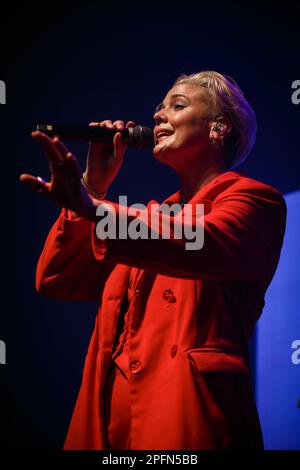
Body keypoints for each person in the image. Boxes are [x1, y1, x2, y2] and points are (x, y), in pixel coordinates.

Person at [20, 70, 286, 450]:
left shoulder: (256, 200)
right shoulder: (147, 218)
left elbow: (202, 241)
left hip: (188, 423)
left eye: (177, 105)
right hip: (106, 430)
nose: (158, 115)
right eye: (158, 108)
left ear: (219, 127)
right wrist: (92, 187)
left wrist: (93, 207)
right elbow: (57, 278)